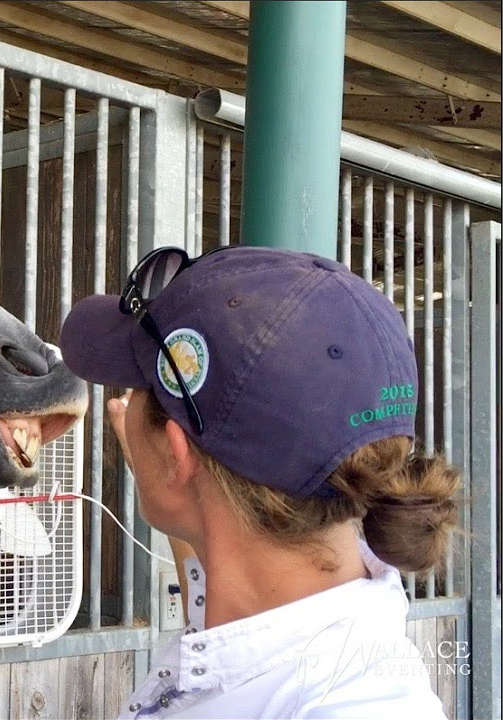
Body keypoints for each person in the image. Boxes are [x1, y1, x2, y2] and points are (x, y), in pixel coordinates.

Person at [58, 245, 459, 719]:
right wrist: (171, 481)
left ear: (176, 451)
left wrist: (168, 477)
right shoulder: (303, 613)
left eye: (140, 389)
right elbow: (217, 582)